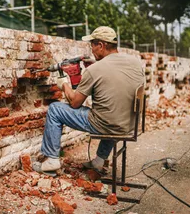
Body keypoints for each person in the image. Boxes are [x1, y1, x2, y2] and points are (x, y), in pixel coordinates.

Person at [32, 26, 145, 176]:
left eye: (92, 45)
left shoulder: (95, 70)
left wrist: (64, 83)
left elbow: (75, 103)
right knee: (112, 111)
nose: (91, 49)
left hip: (106, 125)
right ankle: (99, 161)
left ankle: (51, 159)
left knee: (55, 109)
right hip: (129, 125)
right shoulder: (136, 63)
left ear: (101, 45)